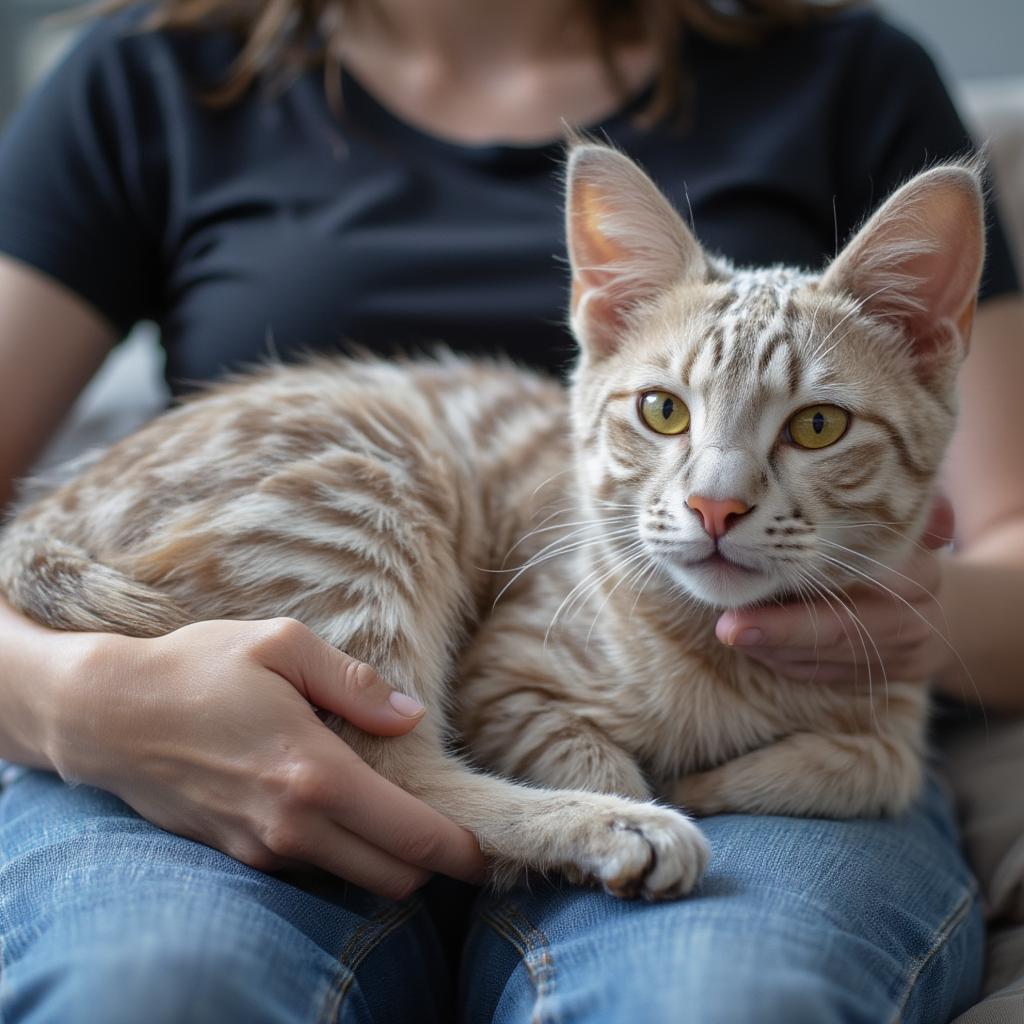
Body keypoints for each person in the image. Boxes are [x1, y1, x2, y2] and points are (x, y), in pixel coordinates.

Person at [0, 1, 1021, 1021]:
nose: (717, 498)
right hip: (213, 699)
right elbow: (512, 684)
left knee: (725, 995)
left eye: (810, 427)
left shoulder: (849, 68)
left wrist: (917, 623)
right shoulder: (148, 69)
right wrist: (74, 695)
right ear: (605, 317)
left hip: (786, 676)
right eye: (662, 409)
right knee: (149, 986)